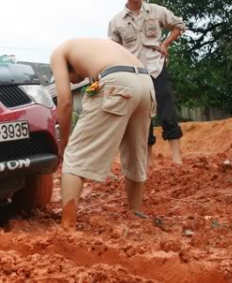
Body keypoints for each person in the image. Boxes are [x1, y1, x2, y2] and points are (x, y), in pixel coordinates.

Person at [51, 38, 155, 228]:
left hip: (117, 80)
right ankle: (135, 217)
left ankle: (67, 226)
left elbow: (65, 102)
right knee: (135, 155)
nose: (77, 81)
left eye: (71, 79)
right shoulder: (91, 48)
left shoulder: (58, 53)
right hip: (146, 83)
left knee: (75, 156)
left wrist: (63, 143)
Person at [108, 0, 185, 167]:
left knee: (167, 111)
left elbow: (178, 26)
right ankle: (148, 161)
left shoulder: (156, 11)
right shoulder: (116, 21)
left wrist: (166, 43)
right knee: (143, 117)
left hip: (156, 68)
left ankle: (177, 158)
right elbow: (113, 50)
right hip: (134, 75)